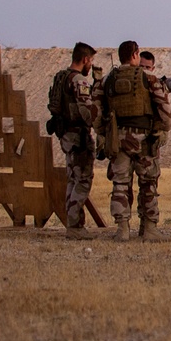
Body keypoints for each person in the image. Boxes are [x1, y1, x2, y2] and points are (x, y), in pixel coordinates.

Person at [95, 40, 171, 242]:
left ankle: (122, 229)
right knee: (148, 184)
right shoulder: (149, 77)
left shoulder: (107, 80)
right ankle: (148, 229)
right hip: (144, 140)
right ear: (136, 54)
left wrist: (104, 132)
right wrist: (162, 129)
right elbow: (165, 112)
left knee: (120, 183)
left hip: (117, 139)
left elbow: (94, 111)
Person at [50, 42, 101, 239]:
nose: (91, 65)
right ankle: (75, 226)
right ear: (86, 59)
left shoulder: (61, 77)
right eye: (91, 61)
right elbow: (87, 112)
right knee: (83, 180)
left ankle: (73, 223)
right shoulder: (79, 81)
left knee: (72, 178)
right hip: (78, 136)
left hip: (66, 135)